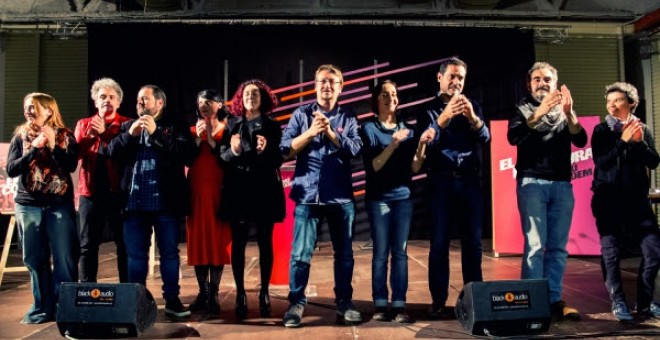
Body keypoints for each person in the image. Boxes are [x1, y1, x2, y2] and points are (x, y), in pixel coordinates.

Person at [100, 85, 195, 318]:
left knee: (169, 254)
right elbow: (109, 152)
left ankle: (172, 300)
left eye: (145, 99)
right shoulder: (127, 127)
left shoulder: (175, 126)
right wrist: (128, 135)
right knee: (136, 256)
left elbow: (187, 155)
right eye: (138, 100)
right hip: (134, 205)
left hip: (165, 204)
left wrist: (157, 135)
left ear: (159, 103)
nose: (139, 103)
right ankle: (137, 302)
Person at [280, 64, 363, 327]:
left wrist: (329, 133)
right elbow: (285, 150)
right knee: (300, 255)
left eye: (332, 82)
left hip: (340, 198)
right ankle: (296, 304)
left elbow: (356, 150)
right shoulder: (301, 114)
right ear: (315, 85)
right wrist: (311, 132)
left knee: (345, 255)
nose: (327, 86)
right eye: (322, 82)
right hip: (307, 196)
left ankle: (345, 303)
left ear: (341, 86)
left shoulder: (349, 117)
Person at [507, 62, 586, 321]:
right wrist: (540, 111)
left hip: (562, 185)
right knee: (534, 246)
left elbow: (580, 139)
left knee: (558, 248)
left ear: (555, 83)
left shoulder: (564, 111)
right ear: (529, 84)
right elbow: (514, 136)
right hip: (532, 184)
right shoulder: (522, 109)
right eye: (537, 79)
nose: (543, 83)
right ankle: (531, 301)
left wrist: (570, 113)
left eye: (548, 79)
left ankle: (553, 299)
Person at [416, 57, 490, 318]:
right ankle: (438, 300)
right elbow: (425, 143)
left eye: (461, 78)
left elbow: (485, 138)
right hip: (441, 181)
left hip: (470, 181)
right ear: (440, 77)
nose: (456, 82)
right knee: (439, 243)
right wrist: (443, 119)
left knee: (473, 244)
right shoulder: (428, 109)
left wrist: (472, 117)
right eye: (452, 77)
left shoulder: (473, 106)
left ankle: (474, 299)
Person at [591, 82, 660, 321]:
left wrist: (638, 143)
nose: (612, 104)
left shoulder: (643, 128)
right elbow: (602, 163)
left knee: (653, 252)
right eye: (609, 101)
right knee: (611, 253)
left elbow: (654, 161)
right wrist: (623, 140)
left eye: (618, 100)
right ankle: (618, 301)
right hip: (608, 200)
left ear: (631, 103)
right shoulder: (601, 131)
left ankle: (645, 302)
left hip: (637, 202)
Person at [360, 80, 428, 324]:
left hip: (403, 198)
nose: (391, 98)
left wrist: (420, 145)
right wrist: (393, 143)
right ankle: (380, 303)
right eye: (385, 94)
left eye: (394, 94)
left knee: (400, 252)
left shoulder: (408, 130)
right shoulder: (369, 129)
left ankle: (399, 304)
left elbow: (415, 166)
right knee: (380, 253)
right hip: (379, 199)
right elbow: (374, 166)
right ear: (377, 100)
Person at [7, 92, 78, 324]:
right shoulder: (21, 135)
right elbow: (11, 169)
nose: (28, 110)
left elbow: (70, 164)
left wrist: (52, 145)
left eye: (34, 107)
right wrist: (33, 150)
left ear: (49, 111)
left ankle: (64, 307)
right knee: (34, 257)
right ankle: (41, 307)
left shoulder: (66, 135)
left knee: (64, 257)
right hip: (29, 205)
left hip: (58, 205)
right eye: (26, 106)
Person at [219, 79, 285, 320]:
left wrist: (266, 150)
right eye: (247, 93)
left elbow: (279, 158)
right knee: (238, 242)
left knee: (265, 241)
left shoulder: (272, 125)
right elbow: (223, 157)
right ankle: (240, 294)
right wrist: (234, 150)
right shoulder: (232, 124)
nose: (251, 96)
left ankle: (264, 292)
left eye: (255, 93)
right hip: (238, 190)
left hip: (264, 189)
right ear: (240, 98)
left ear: (263, 98)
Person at [74, 77, 131, 283]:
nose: (107, 100)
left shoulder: (126, 124)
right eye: (102, 96)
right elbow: (75, 157)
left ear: (118, 102)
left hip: (119, 193)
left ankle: (127, 291)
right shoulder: (83, 124)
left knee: (124, 243)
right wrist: (89, 136)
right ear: (95, 101)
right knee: (88, 243)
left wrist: (104, 134)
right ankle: (87, 291)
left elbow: (124, 154)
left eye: (111, 97)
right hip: (90, 193)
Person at [186, 89, 232, 315]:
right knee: (198, 240)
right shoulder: (192, 130)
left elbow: (228, 160)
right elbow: (184, 157)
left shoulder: (228, 129)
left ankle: (214, 292)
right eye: (200, 102)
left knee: (216, 241)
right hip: (195, 193)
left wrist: (212, 140)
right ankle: (202, 291)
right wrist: (196, 139)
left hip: (219, 193)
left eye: (209, 102)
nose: (204, 105)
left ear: (219, 105)